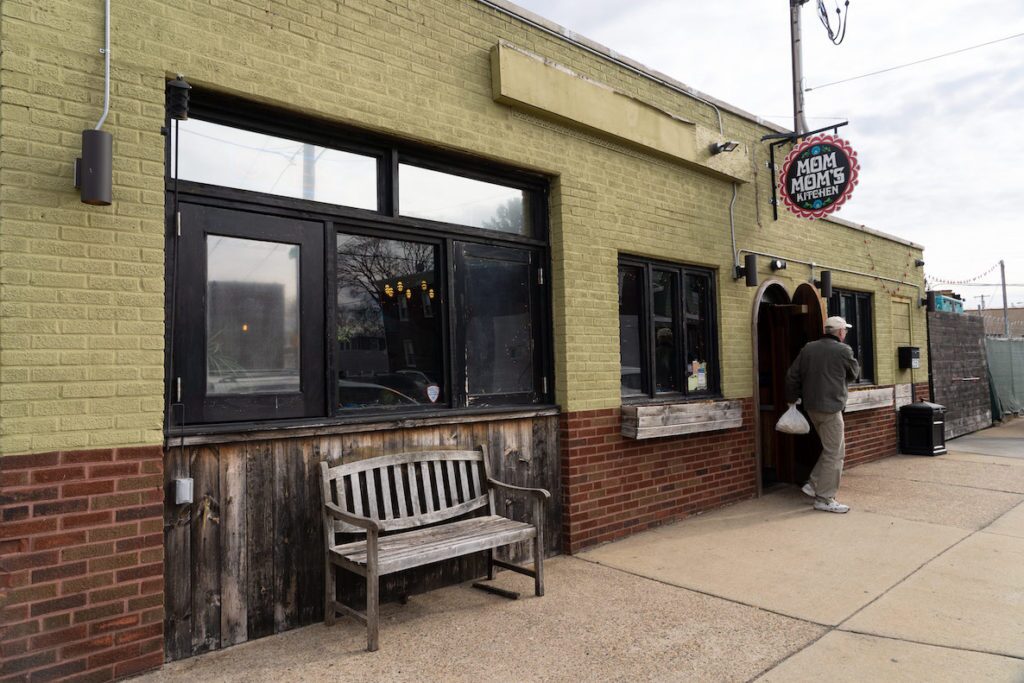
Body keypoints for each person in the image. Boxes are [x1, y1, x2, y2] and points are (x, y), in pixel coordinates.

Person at [785, 315, 861, 513]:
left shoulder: (808, 348)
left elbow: (792, 375)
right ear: (840, 333)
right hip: (831, 408)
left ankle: (814, 483)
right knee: (835, 453)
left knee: (831, 449)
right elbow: (854, 374)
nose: (845, 334)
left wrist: (792, 399)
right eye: (845, 331)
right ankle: (824, 498)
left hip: (811, 407)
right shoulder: (843, 350)